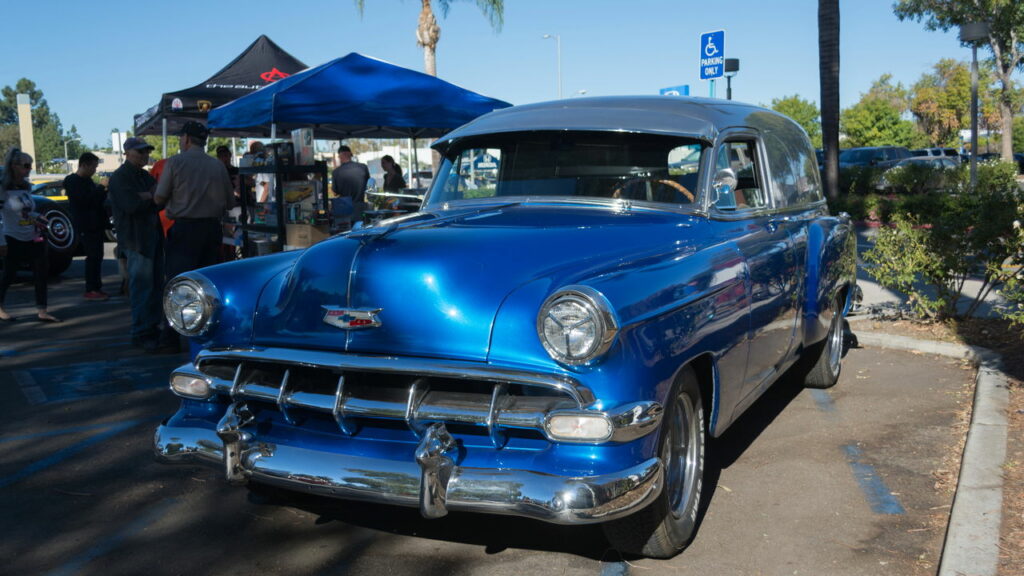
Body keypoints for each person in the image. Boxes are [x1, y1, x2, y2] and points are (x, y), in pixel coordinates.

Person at [108, 137, 168, 352]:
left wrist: (148, 197)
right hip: (136, 240)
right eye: (140, 152)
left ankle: (150, 329)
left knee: (155, 287)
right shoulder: (120, 177)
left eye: (146, 152)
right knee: (142, 288)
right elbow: (132, 205)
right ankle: (141, 332)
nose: (145, 155)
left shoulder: (143, 176)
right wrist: (149, 197)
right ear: (128, 152)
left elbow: (161, 197)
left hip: (151, 238)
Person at [155, 121, 234, 281]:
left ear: (187, 139)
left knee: (182, 282)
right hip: (212, 230)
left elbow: (159, 197)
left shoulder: (175, 162)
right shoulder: (218, 165)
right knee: (207, 281)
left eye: (181, 137)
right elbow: (230, 203)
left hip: (185, 231)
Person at [0, 148, 60, 322]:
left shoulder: (26, 187)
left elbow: (26, 211)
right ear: (14, 166)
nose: (29, 169)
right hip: (12, 237)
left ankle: (42, 310)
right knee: (9, 274)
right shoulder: (3, 188)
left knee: (41, 273)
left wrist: (37, 218)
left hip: (33, 235)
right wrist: (1, 241)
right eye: (26, 165)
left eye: (30, 165)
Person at [64, 152, 109, 300]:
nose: (95, 170)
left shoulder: (89, 182)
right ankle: (91, 288)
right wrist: (101, 188)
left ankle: (97, 287)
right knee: (92, 256)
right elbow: (84, 202)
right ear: (84, 165)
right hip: (85, 225)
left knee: (98, 256)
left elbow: (96, 202)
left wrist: (104, 191)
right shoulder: (72, 181)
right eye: (93, 167)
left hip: (96, 224)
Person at [332, 144, 370, 222]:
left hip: (343, 207)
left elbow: (335, 192)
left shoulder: (336, 172)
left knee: (344, 231)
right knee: (360, 231)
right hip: (360, 206)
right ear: (350, 154)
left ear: (340, 156)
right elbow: (367, 183)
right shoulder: (363, 167)